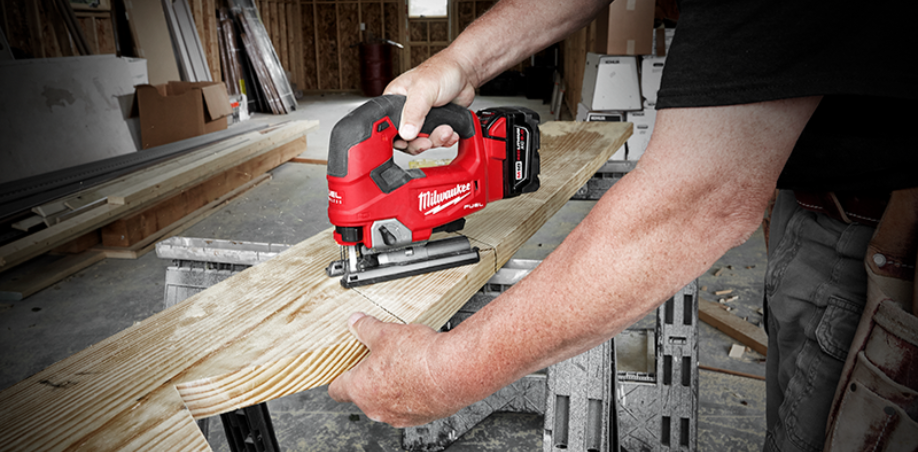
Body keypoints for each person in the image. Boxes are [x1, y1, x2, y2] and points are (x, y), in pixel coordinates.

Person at [328, 0, 918, 450]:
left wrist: (444, 374)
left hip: (889, 248)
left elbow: (693, 205)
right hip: (821, 212)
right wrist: (460, 60)